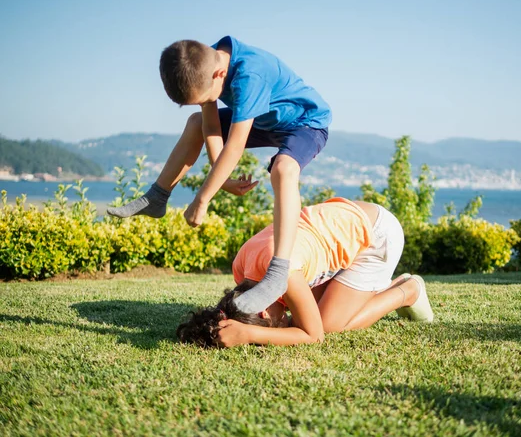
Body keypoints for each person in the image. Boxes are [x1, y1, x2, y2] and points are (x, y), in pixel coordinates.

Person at [107, 36, 332, 314]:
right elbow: (211, 126)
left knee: (283, 169)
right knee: (196, 122)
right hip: (265, 119)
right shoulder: (204, 63)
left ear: (220, 74)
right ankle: (157, 196)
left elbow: (235, 146)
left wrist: (202, 199)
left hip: (305, 123)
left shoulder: (250, 74)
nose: (208, 102)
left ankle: (278, 273)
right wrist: (221, 181)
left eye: (206, 98)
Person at [177, 198, 434, 348]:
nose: (283, 322)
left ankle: (407, 290)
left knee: (329, 324)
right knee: (316, 313)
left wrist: (250, 333)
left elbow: (315, 335)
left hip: (378, 235)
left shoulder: (283, 273)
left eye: (276, 323)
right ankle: (367, 289)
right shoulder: (242, 269)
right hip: (349, 220)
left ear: (265, 311)